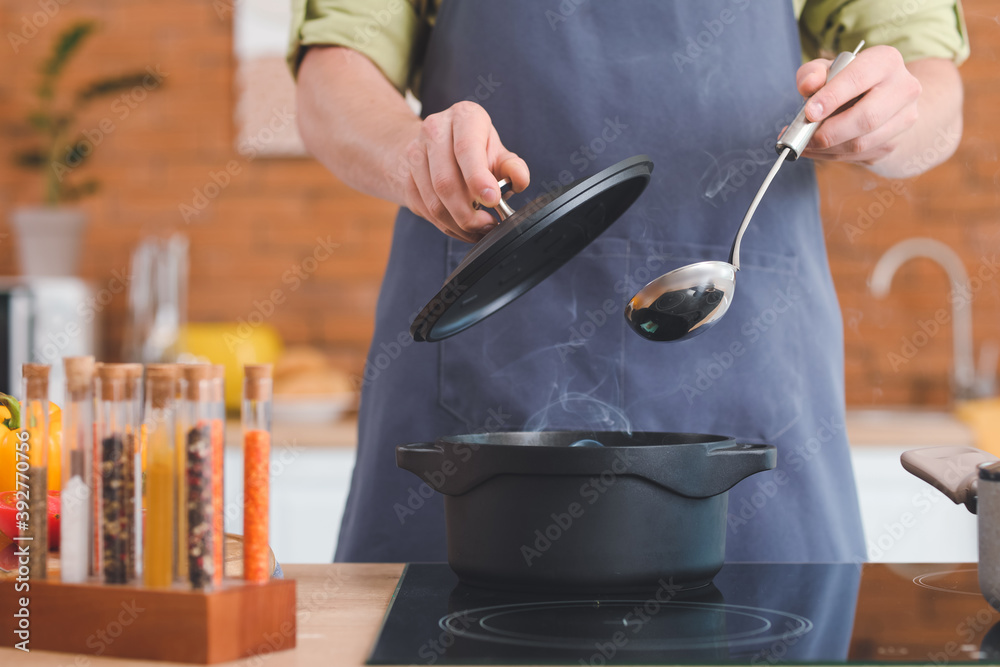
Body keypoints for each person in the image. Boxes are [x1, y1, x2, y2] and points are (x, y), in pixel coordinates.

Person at [289, 1, 968, 563]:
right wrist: (409, 152)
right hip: (484, 373)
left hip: (745, 371)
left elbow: (930, 82)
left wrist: (892, 113)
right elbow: (335, 68)